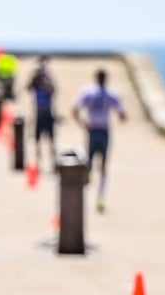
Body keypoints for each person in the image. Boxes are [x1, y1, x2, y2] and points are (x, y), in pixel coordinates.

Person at [71, 67, 127, 213]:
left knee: (88, 165)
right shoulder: (111, 94)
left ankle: (82, 197)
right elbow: (122, 114)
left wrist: (82, 123)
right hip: (103, 131)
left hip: (92, 130)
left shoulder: (88, 93)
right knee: (103, 166)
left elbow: (74, 109)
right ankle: (100, 198)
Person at [26, 56, 58, 171]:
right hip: (39, 112)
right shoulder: (35, 82)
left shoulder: (48, 80)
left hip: (48, 112)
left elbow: (53, 91)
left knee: (51, 140)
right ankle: (39, 164)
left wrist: (45, 81)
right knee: (37, 140)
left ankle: (53, 163)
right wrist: (34, 78)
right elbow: (28, 88)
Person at [0, 48, 19, 128]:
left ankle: (2, 122)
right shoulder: (10, 59)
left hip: (4, 85)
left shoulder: (1, 60)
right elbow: (15, 72)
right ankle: (9, 120)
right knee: (9, 102)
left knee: (2, 103)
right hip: (10, 83)